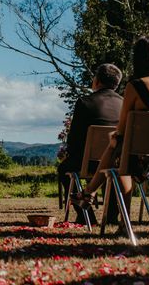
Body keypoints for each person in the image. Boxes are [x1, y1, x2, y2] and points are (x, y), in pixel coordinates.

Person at [73, 37, 149, 218]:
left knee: (117, 146)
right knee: (120, 149)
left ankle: (91, 194)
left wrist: (116, 139)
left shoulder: (136, 86)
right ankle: (90, 194)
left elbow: (122, 129)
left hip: (144, 159)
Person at [58, 63, 123, 224]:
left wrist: (73, 155)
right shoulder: (124, 103)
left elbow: (74, 140)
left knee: (64, 169)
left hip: (90, 163)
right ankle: (112, 216)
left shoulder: (85, 102)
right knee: (113, 171)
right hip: (119, 162)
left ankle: (85, 216)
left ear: (97, 81)